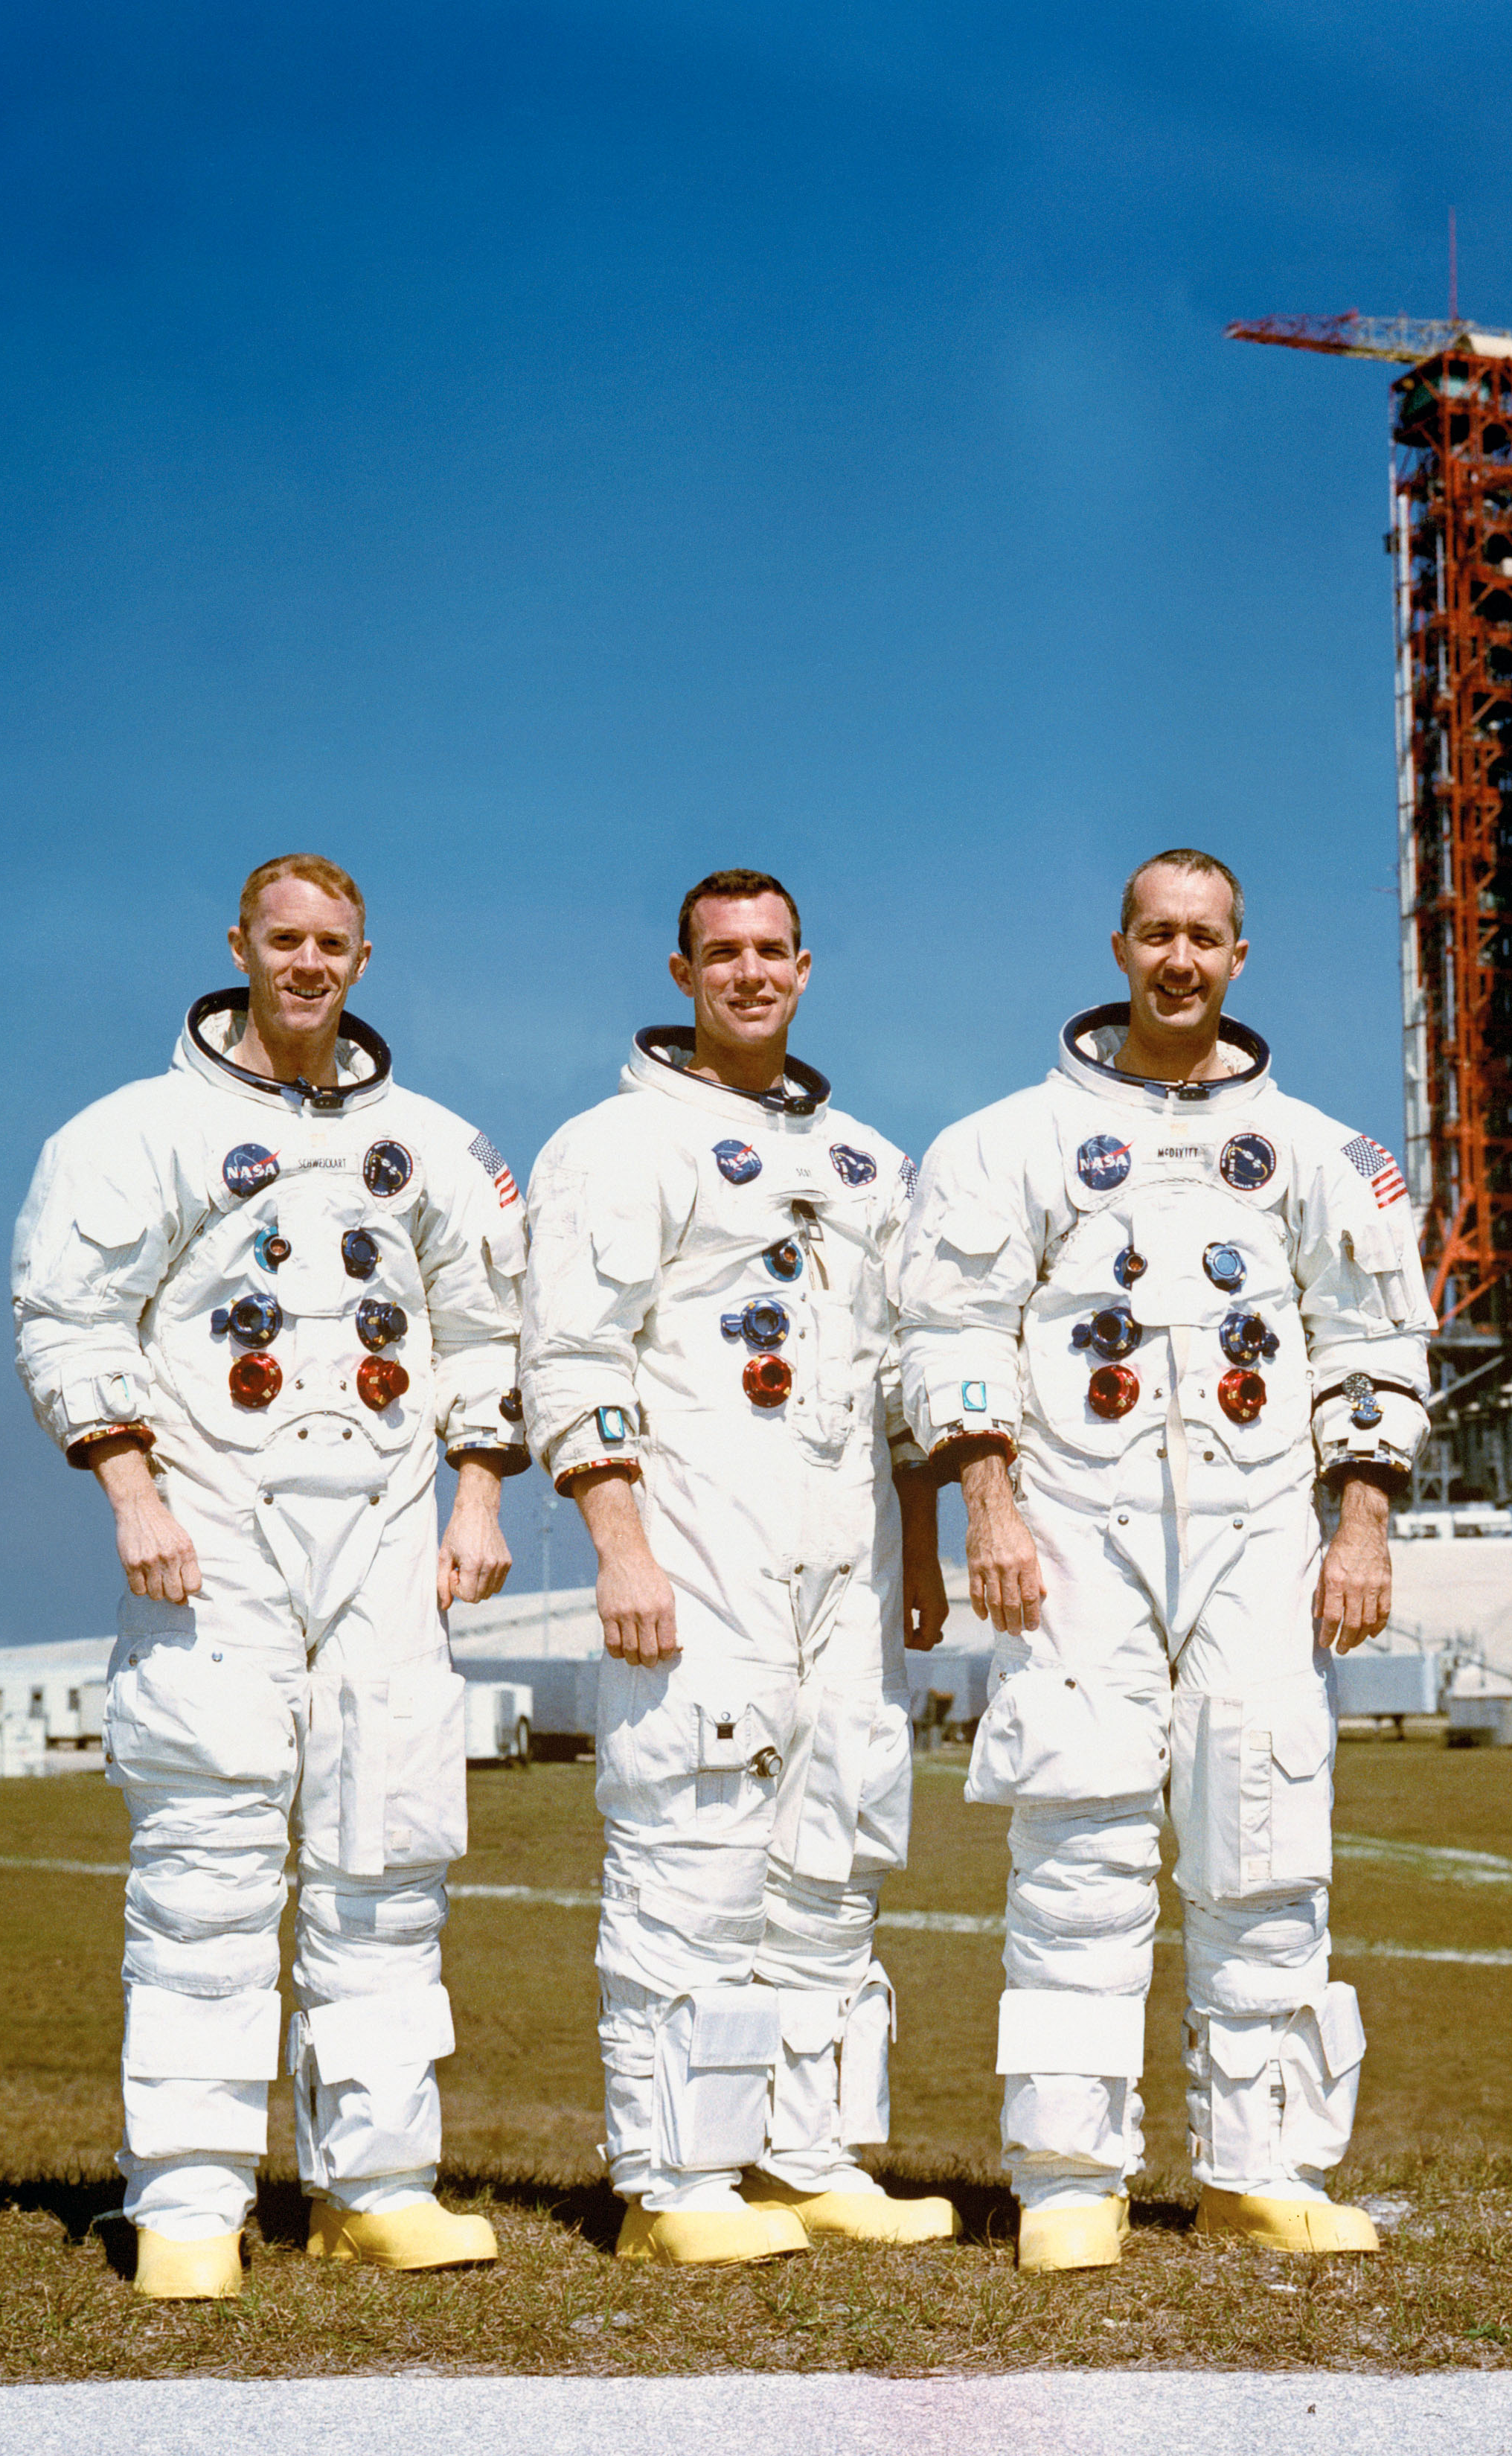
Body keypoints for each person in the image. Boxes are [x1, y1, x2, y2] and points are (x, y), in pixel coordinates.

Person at [896, 848, 1429, 2271]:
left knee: (1268, 1836)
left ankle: (1266, 2165)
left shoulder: (1323, 1154)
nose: (1179, 961)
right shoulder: (1007, 1142)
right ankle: (1072, 2176)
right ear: (1118, 947)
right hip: (1076, 1522)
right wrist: (991, 1509)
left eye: (1205, 938)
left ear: (1241, 957)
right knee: (1077, 1835)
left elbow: (1374, 1345)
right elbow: (948, 1336)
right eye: (1156, 936)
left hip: (1265, 1528)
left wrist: (1361, 1526)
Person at [12, 855, 524, 2300]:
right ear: (238, 944)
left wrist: (477, 1497)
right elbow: (68, 1316)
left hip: (381, 1520)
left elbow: (489, 1333)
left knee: (388, 1849)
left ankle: (376, 2183)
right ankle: (184, 2197)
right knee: (209, 1851)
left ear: (366, 958)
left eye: (333, 945)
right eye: (283, 940)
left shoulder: (431, 1143)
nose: (307, 965)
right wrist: (132, 1493)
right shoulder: (135, 1132)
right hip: (212, 1526)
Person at [521, 869, 955, 2265]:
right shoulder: (615, 1145)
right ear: (681, 971)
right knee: (692, 1845)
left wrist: (926, 1560)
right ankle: (674, 2181)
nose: (750, 974)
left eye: (773, 952)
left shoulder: (872, 1166)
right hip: (697, 1544)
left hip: (848, 1556)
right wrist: (619, 1546)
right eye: (724, 954)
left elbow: (903, 1385)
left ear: (809, 968)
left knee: (837, 1843)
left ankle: (807, 2156)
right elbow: (574, 1359)